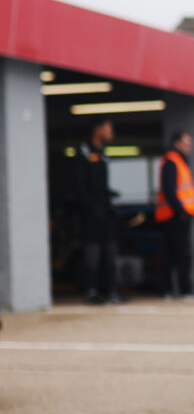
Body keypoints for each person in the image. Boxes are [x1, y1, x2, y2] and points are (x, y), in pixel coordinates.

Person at [70, 117, 122, 304]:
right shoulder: (84, 152)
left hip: (105, 212)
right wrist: (90, 206)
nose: (111, 133)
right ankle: (91, 291)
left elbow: (101, 185)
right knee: (92, 253)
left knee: (110, 252)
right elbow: (79, 186)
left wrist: (109, 196)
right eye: (109, 128)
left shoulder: (103, 153)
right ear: (98, 130)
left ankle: (108, 291)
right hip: (90, 214)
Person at [155, 131, 194, 297]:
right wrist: (181, 211)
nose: (189, 147)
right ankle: (181, 289)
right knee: (179, 255)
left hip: (180, 215)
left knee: (175, 254)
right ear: (177, 143)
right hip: (174, 216)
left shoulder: (180, 161)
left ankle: (172, 289)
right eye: (186, 143)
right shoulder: (172, 161)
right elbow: (169, 190)